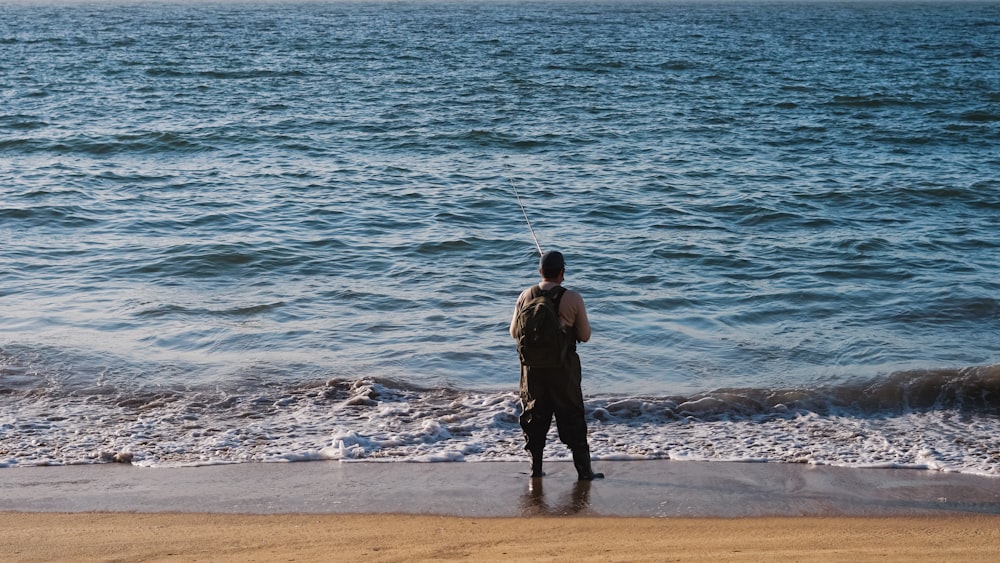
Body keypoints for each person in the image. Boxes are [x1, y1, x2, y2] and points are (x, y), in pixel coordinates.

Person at [510, 250, 604, 480]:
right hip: (563, 370)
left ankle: (536, 469)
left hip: (532, 370)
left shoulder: (525, 295)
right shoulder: (572, 298)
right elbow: (584, 335)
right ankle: (584, 472)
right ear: (562, 272)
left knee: (534, 416)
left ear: (540, 271)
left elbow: (514, 332)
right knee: (572, 416)